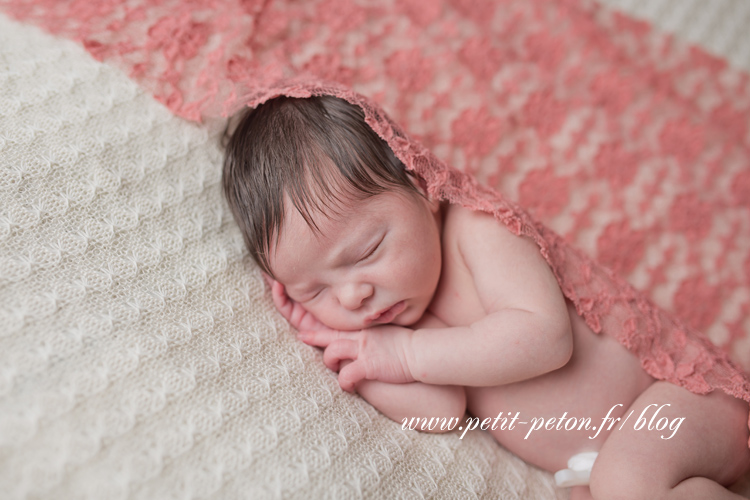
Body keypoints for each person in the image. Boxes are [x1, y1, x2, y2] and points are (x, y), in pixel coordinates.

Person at [222, 94, 750, 499]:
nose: (354, 294)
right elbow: (440, 411)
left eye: (367, 250)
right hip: (621, 455)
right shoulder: (404, 321)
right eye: (314, 289)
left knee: (628, 479)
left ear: (422, 185)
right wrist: (354, 351)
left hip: (684, 398)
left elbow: (544, 338)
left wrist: (406, 355)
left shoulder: (477, 228)